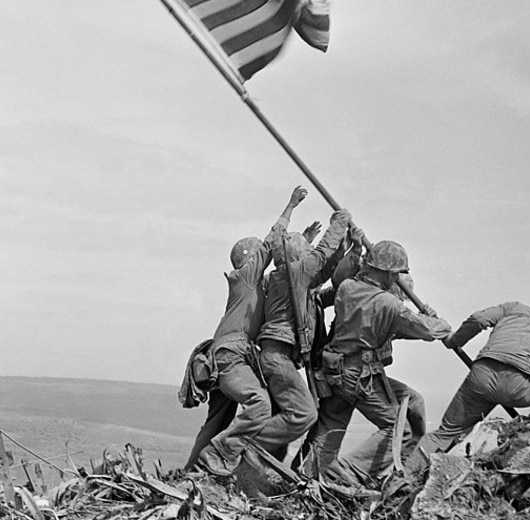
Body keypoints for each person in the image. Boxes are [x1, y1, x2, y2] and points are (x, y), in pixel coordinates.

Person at [303, 240, 451, 484]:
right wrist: (438, 320)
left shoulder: (347, 288)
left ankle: (310, 475)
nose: (396, 280)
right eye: (395, 275)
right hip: (359, 376)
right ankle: (348, 473)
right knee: (399, 429)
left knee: (333, 426)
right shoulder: (389, 304)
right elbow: (427, 330)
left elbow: (384, 325)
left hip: (334, 371)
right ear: (387, 272)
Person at [189, 186, 308, 476]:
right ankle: (221, 456)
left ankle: (191, 472)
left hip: (223, 357)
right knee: (259, 403)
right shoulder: (245, 277)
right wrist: (290, 206)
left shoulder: (251, 286)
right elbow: (271, 243)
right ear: (250, 259)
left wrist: (305, 243)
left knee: (217, 420)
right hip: (231, 356)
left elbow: (286, 270)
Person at [403, 295, 530, 476]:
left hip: (480, 377)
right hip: (517, 386)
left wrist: (454, 341)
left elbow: (479, 319)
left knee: (444, 434)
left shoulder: (514, 308)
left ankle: (404, 475)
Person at [250, 207, 353, 458]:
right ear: (299, 256)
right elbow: (322, 254)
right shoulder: (294, 273)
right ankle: (246, 446)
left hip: (277, 356)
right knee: (304, 413)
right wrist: (339, 223)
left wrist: (345, 249)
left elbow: (324, 270)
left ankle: (259, 464)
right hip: (278, 356)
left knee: (284, 421)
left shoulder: (286, 277)